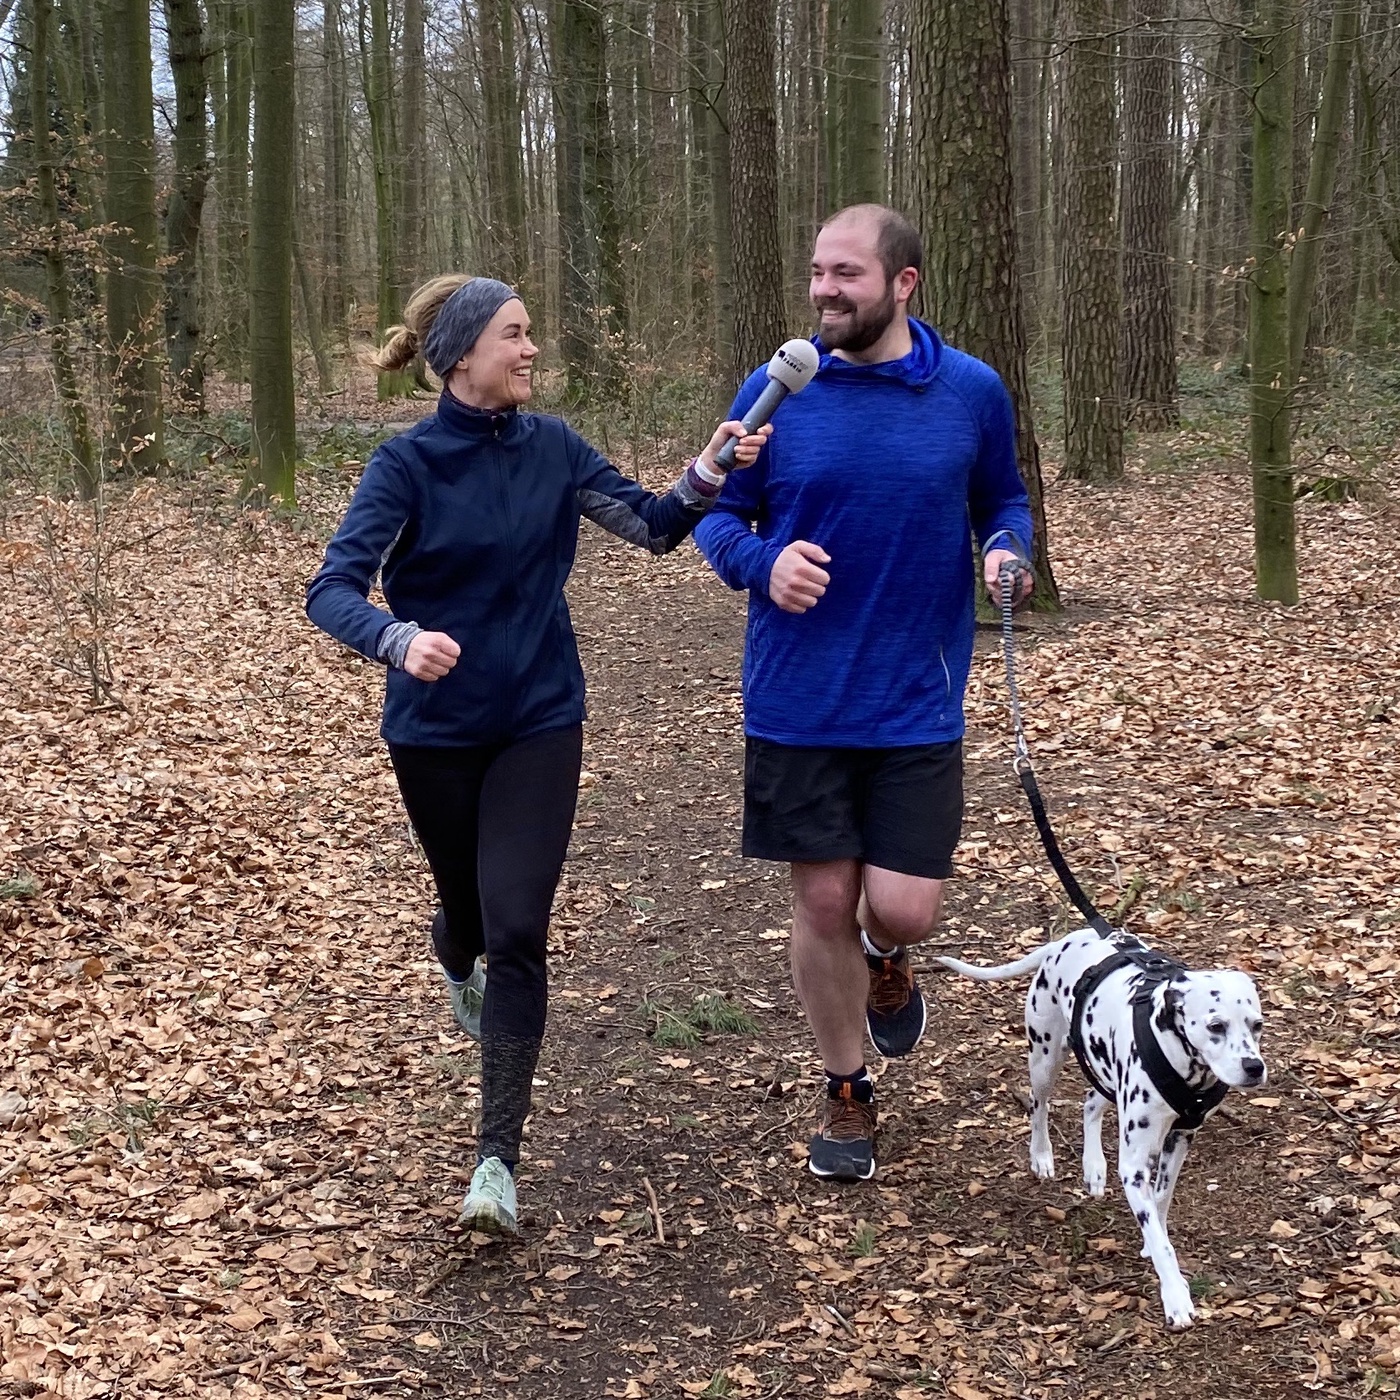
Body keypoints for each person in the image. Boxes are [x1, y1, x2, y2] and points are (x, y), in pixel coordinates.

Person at [306, 275, 769, 1234]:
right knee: (470, 923)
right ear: (463, 353)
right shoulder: (406, 465)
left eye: (529, 336)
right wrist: (397, 640)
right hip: (433, 731)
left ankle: (496, 1163)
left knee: (518, 928)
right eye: (515, 336)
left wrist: (710, 470)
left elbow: (649, 527)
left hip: (540, 719)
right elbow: (331, 590)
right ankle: (453, 949)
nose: (529, 351)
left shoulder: (553, 447)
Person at [693, 205, 1034, 1184]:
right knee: (823, 896)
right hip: (796, 697)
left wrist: (1007, 551)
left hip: (914, 695)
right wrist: (760, 564)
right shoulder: (776, 388)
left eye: (844, 273)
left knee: (903, 905)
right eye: (815, 272)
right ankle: (845, 1085)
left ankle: (891, 960)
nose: (822, 291)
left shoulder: (968, 391)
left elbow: (1000, 501)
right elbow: (716, 512)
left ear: (902, 283)